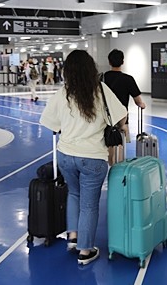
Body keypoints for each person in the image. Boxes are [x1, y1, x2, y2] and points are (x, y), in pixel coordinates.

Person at [39, 50, 127, 265]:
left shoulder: (63, 93)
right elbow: (121, 114)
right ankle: (86, 250)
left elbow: (50, 124)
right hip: (92, 157)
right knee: (89, 205)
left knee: (74, 194)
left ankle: (73, 237)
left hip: (66, 156)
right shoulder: (100, 91)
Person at [102, 49, 146, 162]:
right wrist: (142, 104)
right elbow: (138, 101)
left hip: (103, 118)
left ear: (109, 62)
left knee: (104, 144)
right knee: (119, 145)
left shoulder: (102, 78)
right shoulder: (128, 79)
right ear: (122, 62)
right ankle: (117, 168)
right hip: (121, 119)